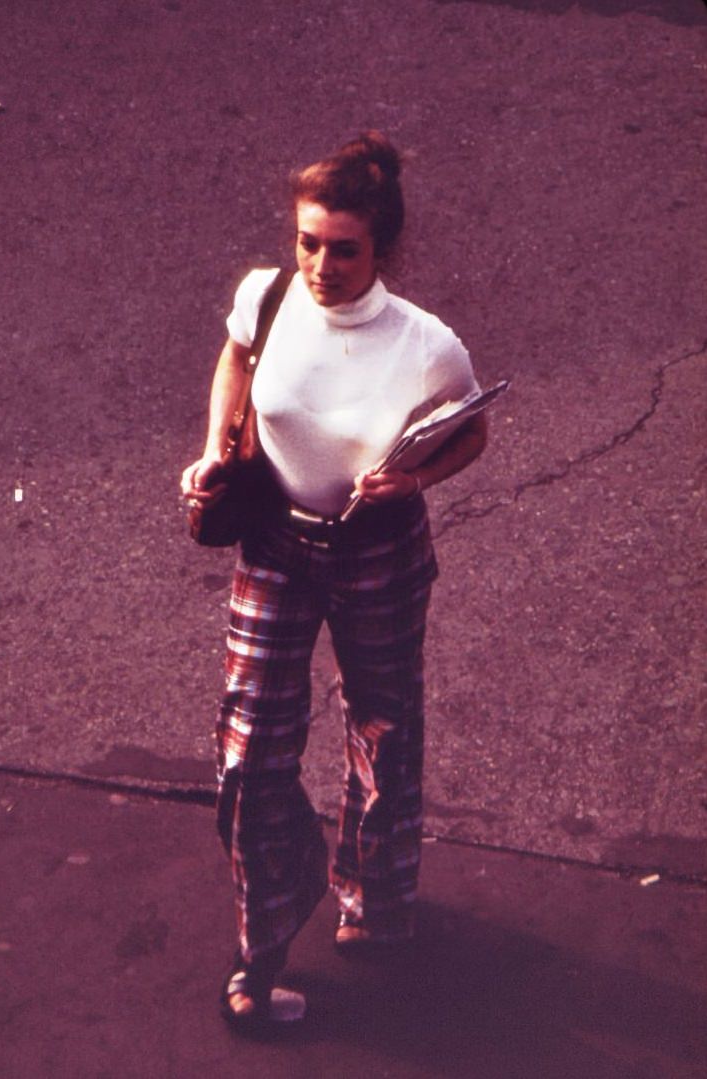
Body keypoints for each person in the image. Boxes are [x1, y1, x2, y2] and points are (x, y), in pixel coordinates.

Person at [180, 131, 487, 1028]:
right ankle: (260, 948)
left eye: (342, 248)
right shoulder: (266, 299)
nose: (318, 264)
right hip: (274, 543)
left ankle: (374, 901)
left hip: (378, 551)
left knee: (383, 732)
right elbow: (237, 357)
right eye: (307, 241)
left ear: (381, 249)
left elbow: (471, 431)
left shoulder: (425, 344)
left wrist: (414, 478)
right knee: (248, 751)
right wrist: (213, 449)